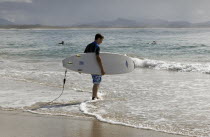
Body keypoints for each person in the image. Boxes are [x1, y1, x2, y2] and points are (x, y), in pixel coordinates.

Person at [84, 33, 105, 100]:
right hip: (96, 66)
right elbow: (98, 58)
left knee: (96, 81)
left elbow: (84, 57)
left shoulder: (88, 45)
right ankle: (94, 97)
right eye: (101, 40)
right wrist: (102, 69)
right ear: (98, 39)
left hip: (90, 67)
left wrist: (83, 68)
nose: (101, 42)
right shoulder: (97, 46)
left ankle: (95, 95)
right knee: (97, 82)